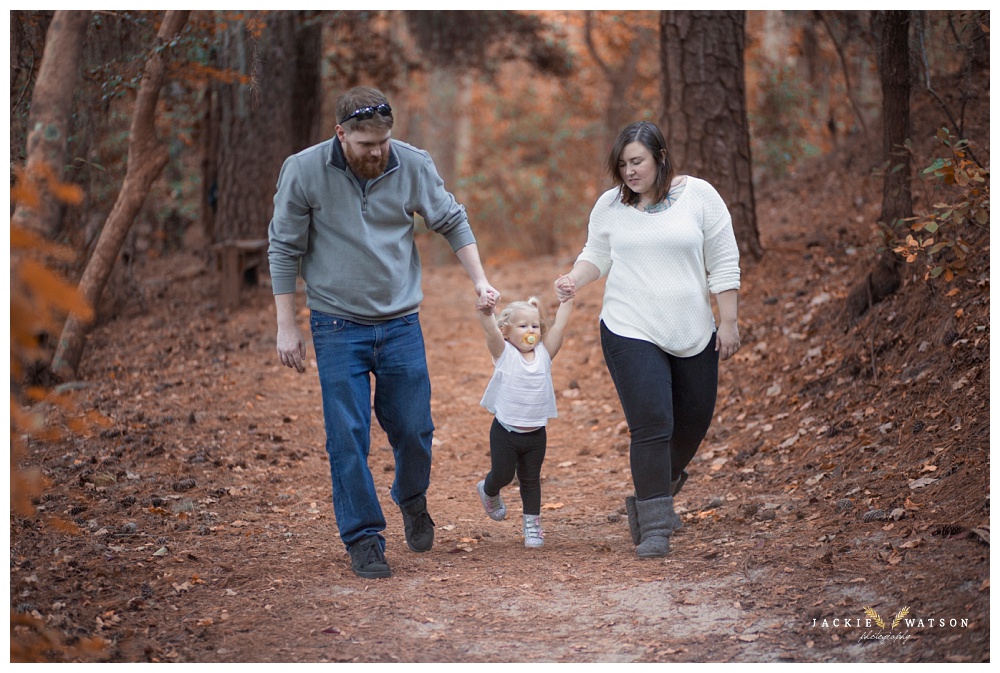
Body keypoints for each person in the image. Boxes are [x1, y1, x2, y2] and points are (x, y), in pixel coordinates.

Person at [267, 86, 499, 579]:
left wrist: (480, 280)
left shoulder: (411, 164)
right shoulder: (304, 170)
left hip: (399, 324)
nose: (377, 152)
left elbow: (452, 220)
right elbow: (284, 247)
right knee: (346, 437)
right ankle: (364, 538)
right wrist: (287, 325)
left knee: (415, 430)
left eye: (384, 142)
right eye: (366, 144)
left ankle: (411, 498)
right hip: (335, 324)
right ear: (341, 135)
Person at [554, 121, 741, 559]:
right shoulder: (610, 206)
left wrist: (728, 321)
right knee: (652, 423)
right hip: (629, 326)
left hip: (693, 327)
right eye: (622, 165)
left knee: (693, 423)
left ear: (659, 156)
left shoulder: (699, 197)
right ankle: (656, 525)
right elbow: (595, 255)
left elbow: (724, 258)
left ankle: (652, 490)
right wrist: (574, 279)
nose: (629, 172)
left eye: (636, 161)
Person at [475, 295, 573, 548]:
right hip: (505, 432)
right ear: (507, 331)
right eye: (523, 326)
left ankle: (532, 526)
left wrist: (567, 300)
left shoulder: (544, 354)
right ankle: (489, 489)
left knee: (531, 480)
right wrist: (487, 313)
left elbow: (560, 326)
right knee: (503, 475)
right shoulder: (504, 352)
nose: (531, 331)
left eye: (535, 326)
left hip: (536, 434)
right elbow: (491, 333)